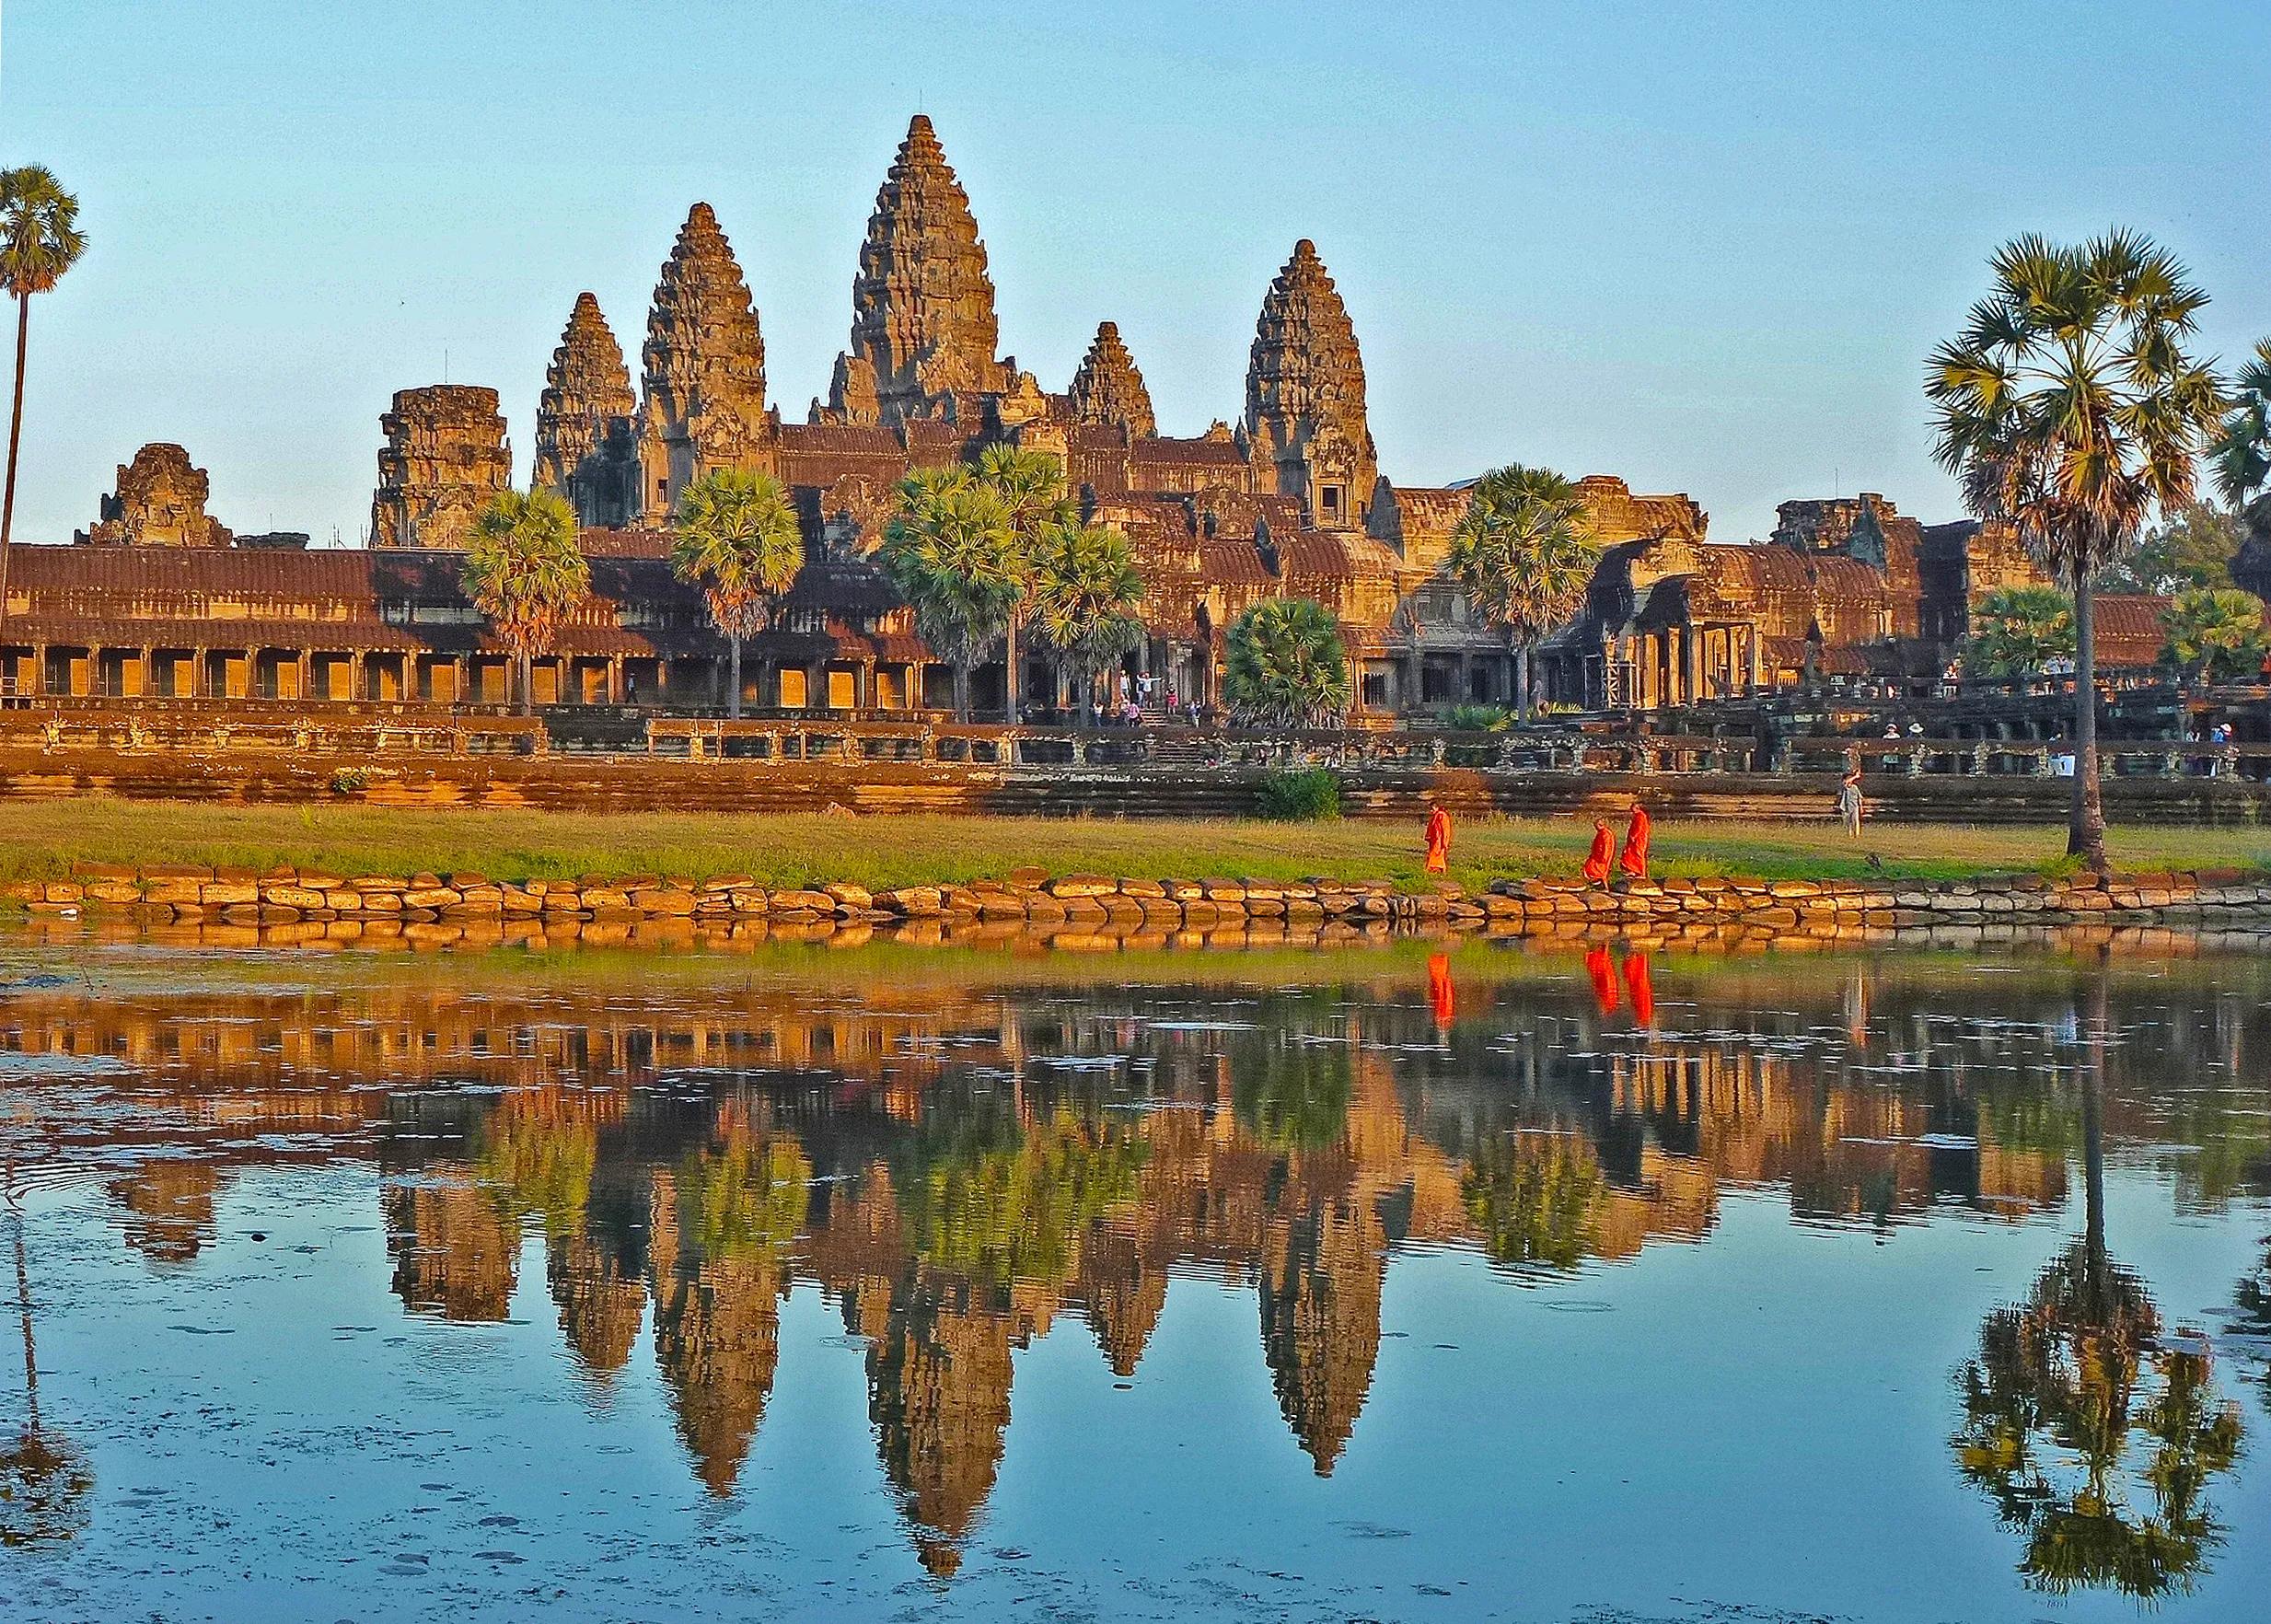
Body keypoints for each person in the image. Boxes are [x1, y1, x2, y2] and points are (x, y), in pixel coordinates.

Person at [1616, 799, 1651, 881]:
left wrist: (1634, 836)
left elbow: (1638, 828)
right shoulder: (1637, 816)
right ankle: (1633, 870)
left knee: (1639, 855)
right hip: (1634, 840)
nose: (1632, 811)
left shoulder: (1641, 816)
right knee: (1631, 854)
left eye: (1633, 809)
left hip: (1638, 840)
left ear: (1637, 808)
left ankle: (1642, 873)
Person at [1582, 816, 1614, 885]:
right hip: (1597, 856)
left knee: (1594, 869)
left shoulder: (1606, 834)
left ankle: (1601, 885)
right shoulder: (1601, 833)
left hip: (1601, 857)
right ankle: (1598, 883)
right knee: (1589, 868)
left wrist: (1604, 857)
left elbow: (1607, 846)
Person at [1423, 799, 1452, 875]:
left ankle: (1428, 868)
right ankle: (1438, 869)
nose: (1430, 811)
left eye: (1432, 809)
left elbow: (1445, 829)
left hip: (1439, 839)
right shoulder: (1435, 816)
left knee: (1434, 854)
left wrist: (1445, 841)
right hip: (1434, 839)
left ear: (1437, 808)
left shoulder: (1442, 816)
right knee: (1437, 854)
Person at [1836, 765, 1864, 838]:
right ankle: (1849, 834)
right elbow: (1846, 783)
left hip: (1855, 806)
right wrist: (1856, 776)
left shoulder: (1855, 787)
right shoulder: (1844, 786)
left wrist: (1861, 807)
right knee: (1847, 822)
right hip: (1846, 806)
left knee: (1855, 821)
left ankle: (1856, 834)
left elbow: (1859, 797)